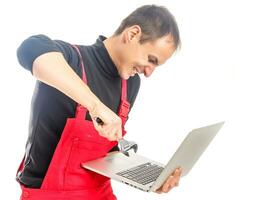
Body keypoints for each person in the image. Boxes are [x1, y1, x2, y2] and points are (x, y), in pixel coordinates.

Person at [16, 4, 182, 200]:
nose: (149, 72)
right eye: (151, 59)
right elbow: (30, 49)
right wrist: (95, 106)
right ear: (133, 34)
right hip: (49, 194)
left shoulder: (129, 84)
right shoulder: (72, 60)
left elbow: (105, 155)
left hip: (100, 193)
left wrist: (150, 177)